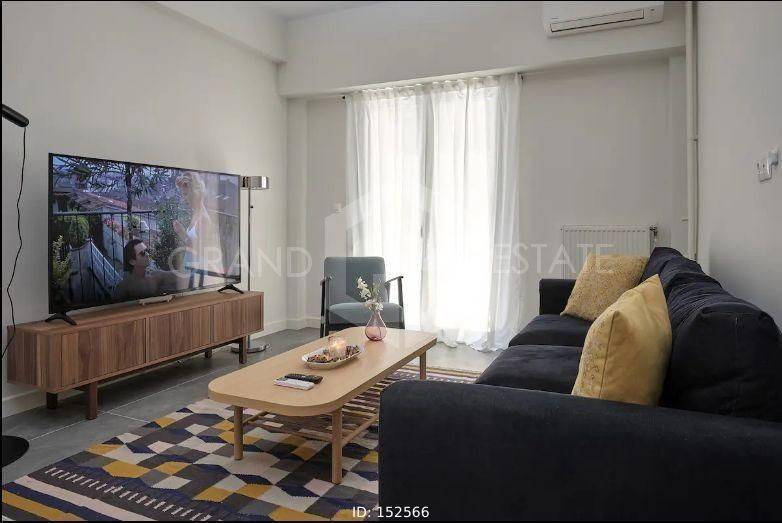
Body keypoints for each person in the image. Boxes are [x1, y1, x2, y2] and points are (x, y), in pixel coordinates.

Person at [114, 239, 180, 301]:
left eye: (147, 251)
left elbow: (178, 274)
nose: (147, 254)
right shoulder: (123, 287)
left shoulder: (155, 276)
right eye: (142, 253)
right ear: (132, 261)